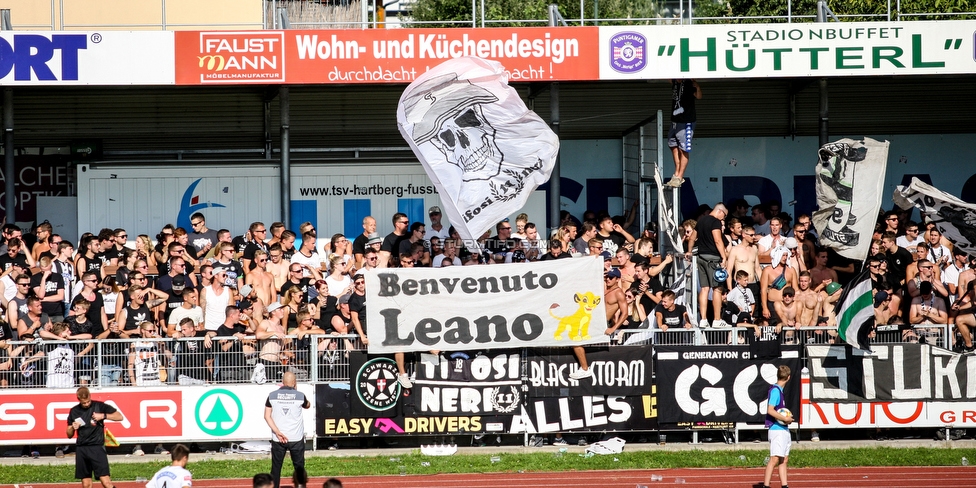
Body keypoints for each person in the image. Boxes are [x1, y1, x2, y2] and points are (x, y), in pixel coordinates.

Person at [66, 386, 124, 488]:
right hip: (82, 448)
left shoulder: (99, 406)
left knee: (106, 482)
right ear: (79, 400)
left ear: (90, 396)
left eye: (88, 401)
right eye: (84, 403)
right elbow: (69, 434)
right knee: (86, 484)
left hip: (97, 447)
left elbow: (119, 416)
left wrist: (103, 416)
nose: (87, 404)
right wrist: (73, 428)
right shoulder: (74, 411)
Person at [265, 371, 311, 488]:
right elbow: (307, 405)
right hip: (296, 438)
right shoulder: (300, 396)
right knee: (299, 468)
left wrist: (277, 432)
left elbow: (267, 416)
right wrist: (296, 390)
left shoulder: (271, 396)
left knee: (276, 468)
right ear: (294, 383)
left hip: (278, 438)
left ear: (282, 383)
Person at [665, 78, 701, 188]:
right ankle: (676, 172)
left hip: (686, 120)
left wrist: (698, 87)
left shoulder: (689, 82)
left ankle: (680, 176)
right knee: (672, 144)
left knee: (684, 148)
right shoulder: (675, 82)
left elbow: (699, 96)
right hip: (675, 119)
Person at [762, 365, 793, 488]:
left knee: (784, 459)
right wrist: (785, 418)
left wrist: (787, 418)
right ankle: (766, 485)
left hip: (783, 429)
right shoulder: (775, 391)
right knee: (774, 459)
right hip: (776, 430)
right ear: (788, 377)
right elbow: (770, 410)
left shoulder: (779, 390)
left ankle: (784, 485)